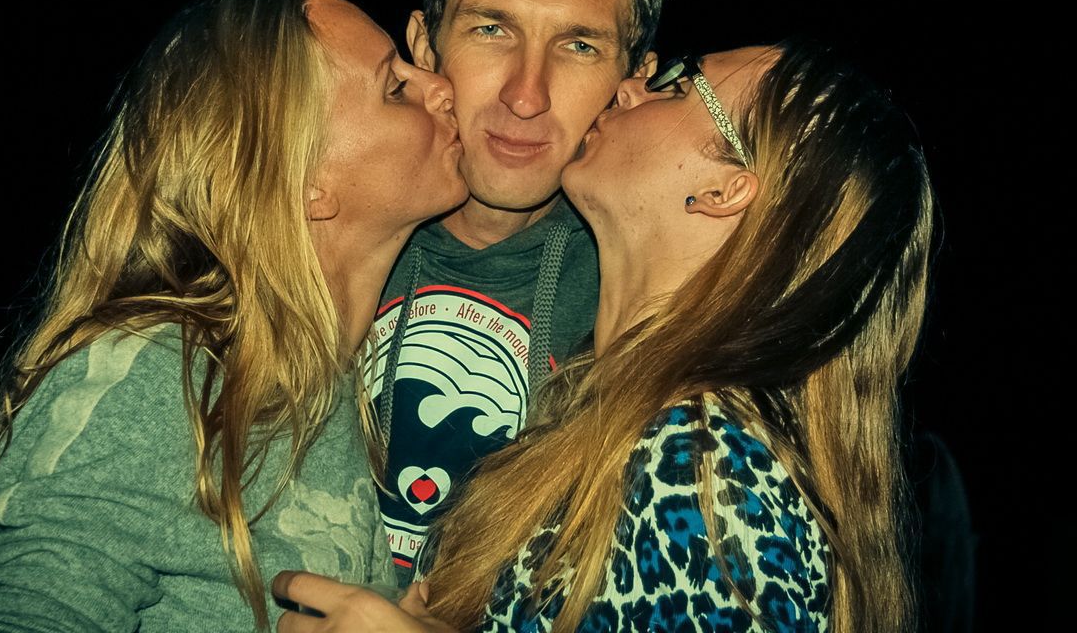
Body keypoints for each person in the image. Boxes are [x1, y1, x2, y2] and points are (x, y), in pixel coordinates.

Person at [274, 41, 935, 632]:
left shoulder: (708, 471)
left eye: (678, 85)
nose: (630, 89)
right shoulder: (619, 419)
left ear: (722, 190)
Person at [0, 0, 468, 632]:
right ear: (304, 179)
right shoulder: (164, 373)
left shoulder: (327, 381)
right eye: (393, 87)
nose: (440, 87)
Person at [371, 0, 669, 578]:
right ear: (424, 45)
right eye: (491, 29)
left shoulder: (656, 311)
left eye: (578, 45)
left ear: (633, 82)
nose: (526, 95)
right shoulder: (311, 233)